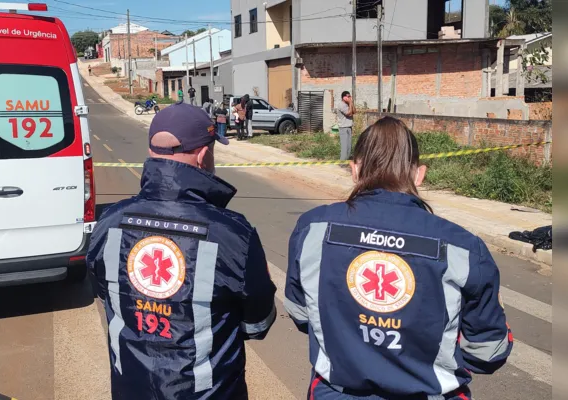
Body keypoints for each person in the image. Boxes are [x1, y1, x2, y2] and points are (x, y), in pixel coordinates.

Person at [285, 116, 512, 400]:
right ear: (419, 175)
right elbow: (488, 352)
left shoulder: (312, 229)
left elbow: (300, 314)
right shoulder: (464, 248)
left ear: (354, 170)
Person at [87, 103, 277, 400]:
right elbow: (258, 322)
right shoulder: (232, 233)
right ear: (203, 155)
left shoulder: (109, 221)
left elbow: (104, 292)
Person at [337, 90, 355, 160]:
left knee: (349, 146)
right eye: (348, 96)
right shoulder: (341, 105)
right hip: (343, 128)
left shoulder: (348, 104)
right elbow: (349, 113)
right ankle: (342, 163)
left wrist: (351, 103)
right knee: (344, 147)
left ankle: (346, 161)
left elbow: (354, 111)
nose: (350, 98)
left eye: (350, 96)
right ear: (344, 98)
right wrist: (350, 102)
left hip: (349, 127)